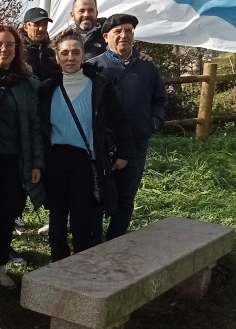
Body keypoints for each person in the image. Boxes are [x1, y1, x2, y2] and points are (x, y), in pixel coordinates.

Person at [37, 29, 132, 261]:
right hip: (56, 159)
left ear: (83, 55)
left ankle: (80, 264)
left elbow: (120, 121)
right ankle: (58, 262)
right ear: (57, 57)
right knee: (57, 217)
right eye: (65, 53)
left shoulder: (100, 86)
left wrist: (124, 151)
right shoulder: (46, 89)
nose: (70, 57)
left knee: (83, 217)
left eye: (75, 52)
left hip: (85, 160)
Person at [88, 14, 168, 241]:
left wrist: (152, 123)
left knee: (126, 197)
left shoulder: (147, 67)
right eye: (118, 32)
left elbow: (160, 100)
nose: (124, 36)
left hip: (136, 142)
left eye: (129, 31)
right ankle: (93, 243)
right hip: (102, 146)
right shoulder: (93, 68)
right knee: (98, 194)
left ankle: (116, 240)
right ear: (106, 37)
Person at [0, 25, 45, 288]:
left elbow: (35, 126)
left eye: (9, 45)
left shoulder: (28, 83)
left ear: (17, 49)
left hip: (15, 159)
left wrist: (38, 161)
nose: (3, 49)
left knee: (6, 214)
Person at [21, 7, 55, 81]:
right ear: (26, 27)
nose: (41, 28)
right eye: (36, 24)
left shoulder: (54, 49)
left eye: (45, 24)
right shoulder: (17, 50)